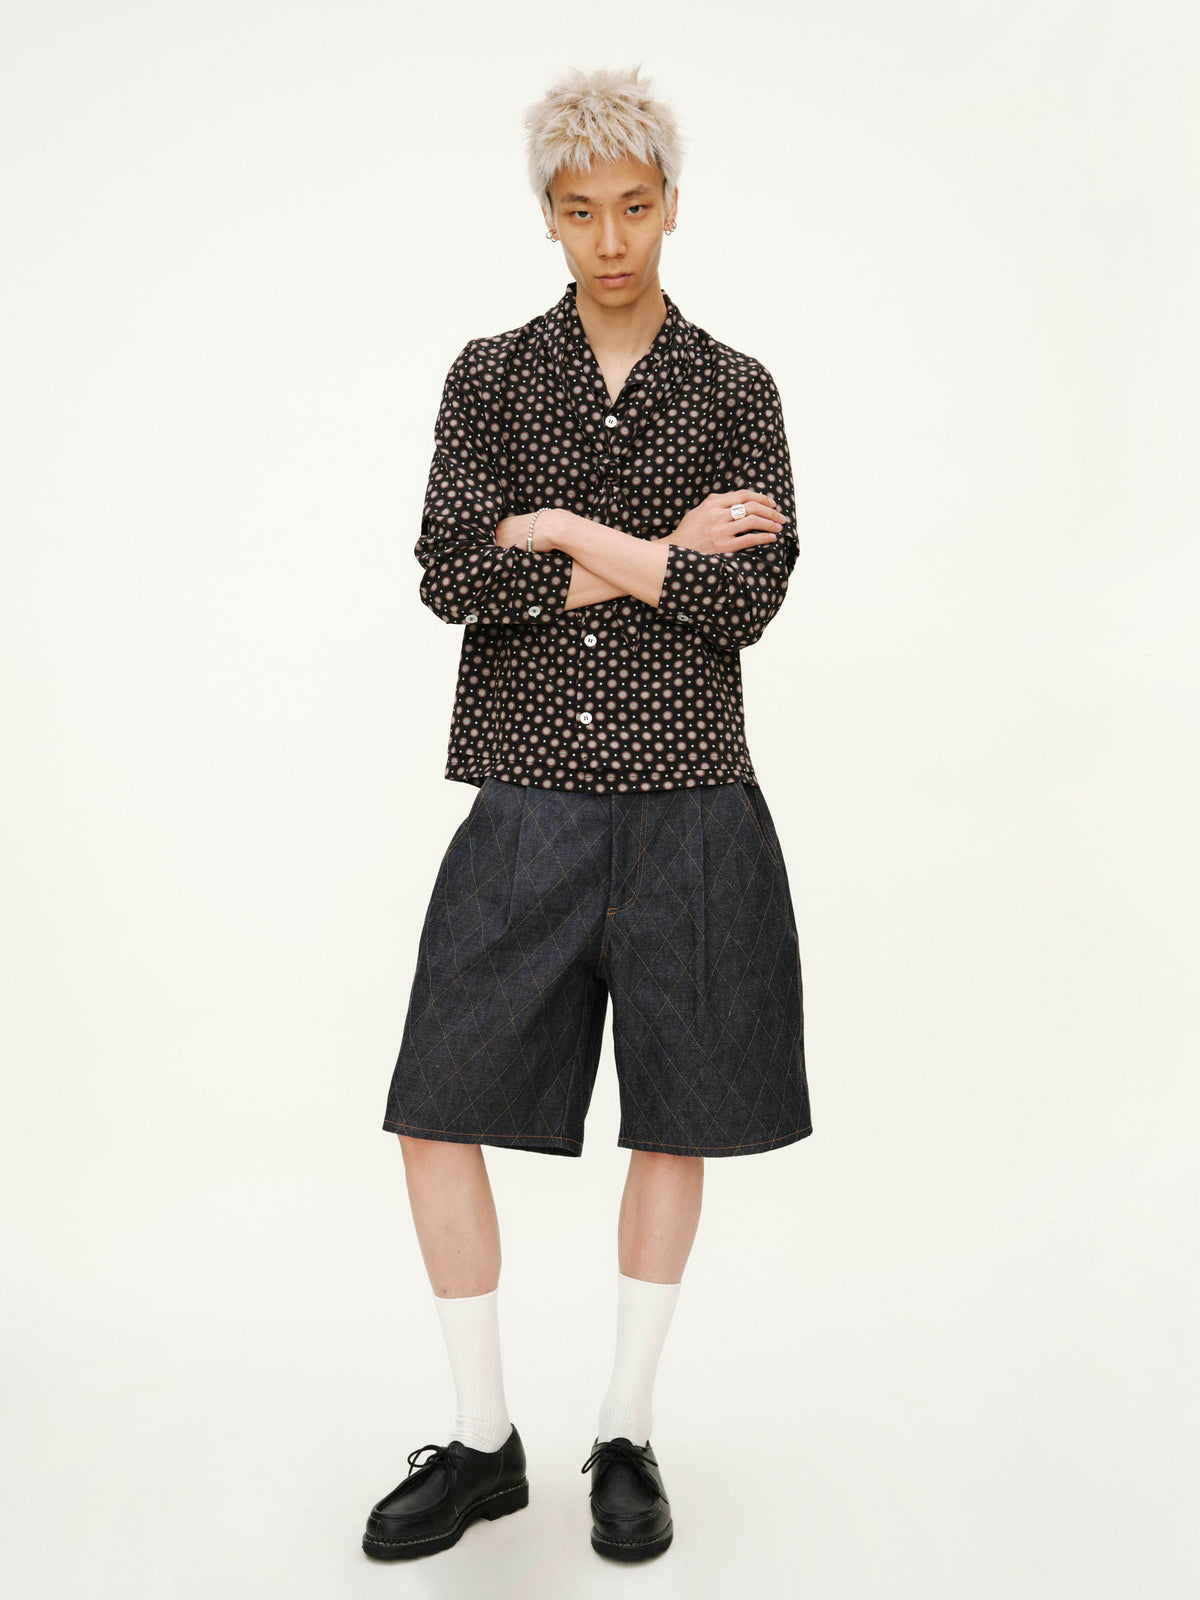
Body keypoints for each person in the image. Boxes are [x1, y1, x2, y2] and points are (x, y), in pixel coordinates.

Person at [362, 62, 813, 1565]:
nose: (610, 239)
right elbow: (452, 576)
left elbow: (741, 605)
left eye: (633, 206)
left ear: (672, 204)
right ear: (546, 218)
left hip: (694, 806)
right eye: (579, 212)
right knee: (437, 1105)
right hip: (527, 799)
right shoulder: (490, 376)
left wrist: (556, 530)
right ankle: (483, 1442)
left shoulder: (737, 389)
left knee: (676, 1119)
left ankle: (625, 1429)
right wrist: (645, 547)